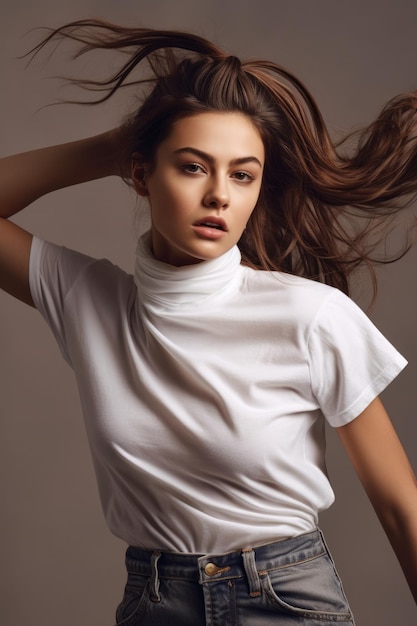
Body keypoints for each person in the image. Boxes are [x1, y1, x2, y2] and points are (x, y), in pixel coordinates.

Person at [1, 18, 417, 626]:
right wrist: (111, 149)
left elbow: (401, 506)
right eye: (194, 166)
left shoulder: (311, 316)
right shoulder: (87, 300)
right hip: (153, 602)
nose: (220, 194)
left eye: (242, 174)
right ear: (142, 175)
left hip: (286, 598)